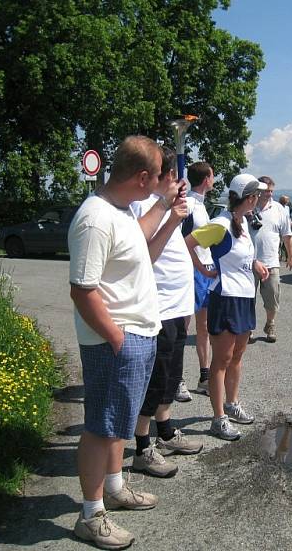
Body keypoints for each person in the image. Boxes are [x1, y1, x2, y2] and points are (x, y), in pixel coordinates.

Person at [68, 135, 184, 549]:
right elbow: (83, 290)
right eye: (157, 176)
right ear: (141, 177)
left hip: (135, 336)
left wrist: (167, 208)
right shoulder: (96, 218)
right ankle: (91, 513)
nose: (161, 181)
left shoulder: (119, 211)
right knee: (101, 429)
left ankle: (114, 489)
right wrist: (117, 338)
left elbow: (139, 243)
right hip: (114, 341)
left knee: (117, 424)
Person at [129, 149, 203, 479]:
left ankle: (167, 431)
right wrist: (170, 214)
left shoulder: (172, 205)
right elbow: (144, 254)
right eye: (169, 175)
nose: (174, 181)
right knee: (156, 379)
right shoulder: (143, 206)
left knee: (172, 377)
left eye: (173, 175)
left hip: (179, 303)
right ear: (160, 177)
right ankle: (142, 446)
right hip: (157, 304)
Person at [184, 174, 269, 441]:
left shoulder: (243, 222)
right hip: (225, 299)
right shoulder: (220, 224)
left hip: (244, 298)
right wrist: (203, 269)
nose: (260, 199)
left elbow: (242, 255)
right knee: (221, 360)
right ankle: (218, 418)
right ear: (250, 197)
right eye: (257, 195)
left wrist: (254, 264)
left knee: (237, 357)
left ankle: (231, 404)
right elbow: (188, 243)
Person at [182, 161, 215, 396]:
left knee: (203, 327)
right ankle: (176, 379)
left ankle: (204, 377)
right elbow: (184, 244)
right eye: (212, 175)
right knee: (183, 328)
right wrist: (200, 268)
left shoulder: (203, 206)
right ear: (206, 179)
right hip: (191, 271)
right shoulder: (190, 205)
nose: (214, 179)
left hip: (205, 270)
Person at [250, 176, 292, 343]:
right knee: (248, 298)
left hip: (271, 262)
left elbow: (287, 235)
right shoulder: (248, 207)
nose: (269, 194)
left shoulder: (279, 209)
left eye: (271, 191)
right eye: (266, 191)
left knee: (273, 296)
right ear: (258, 191)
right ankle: (249, 328)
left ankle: (270, 324)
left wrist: (291, 256)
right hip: (249, 262)